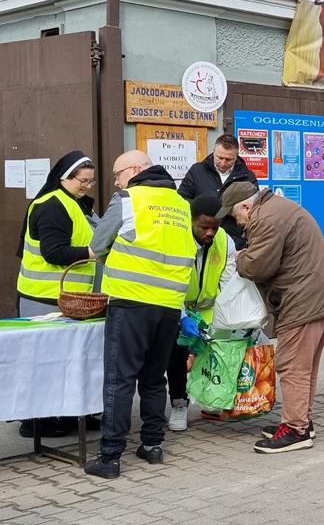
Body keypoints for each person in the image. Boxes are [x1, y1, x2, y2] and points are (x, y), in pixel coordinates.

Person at [84, 150, 197, 479]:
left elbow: (99, 243)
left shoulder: (128, 198)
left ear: (134, 170)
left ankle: (109, 456)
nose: (116, 181)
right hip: (168, 307)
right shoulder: (180, 205)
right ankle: (152, 445)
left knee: (119, 381)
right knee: (153, 378)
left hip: (130, 302)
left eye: (117, 173)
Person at [221, 182, 324, 452]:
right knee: (306, 365)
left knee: (292, 366)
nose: (238, 223)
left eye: (235, 216)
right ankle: (302, 420)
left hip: (303, 300)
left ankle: (295, 430)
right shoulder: (277, 208)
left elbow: (258, 266)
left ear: (246, 206)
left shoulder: (266, 219)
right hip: (318, 296)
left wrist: (240, 257)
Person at [15, 151, 100, 438]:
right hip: (43, 299)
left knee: (66, 361)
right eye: (82, 181)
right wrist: (93, 253)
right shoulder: (53, 206)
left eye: (90, 181)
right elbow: (54, 252)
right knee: (44, 362)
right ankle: (36, 421)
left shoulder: (72, 203)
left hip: (67, 298)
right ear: (64, 177)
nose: (87, 186)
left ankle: (69, 415)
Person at [165, 194, 237, 431]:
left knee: (216, 355)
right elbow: (173, 283)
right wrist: (183, 316)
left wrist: (224, 319)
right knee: (176, 358)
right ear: (191, 221)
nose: (209, 233)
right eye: (204, 227)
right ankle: (178, 404)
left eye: (214, 228)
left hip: (210, 309)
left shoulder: (225, 242)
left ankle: (213, 397)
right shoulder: (176, 239)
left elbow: (227, 283)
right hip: (179, 306)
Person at [178, 134, 258, 249]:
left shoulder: (248, 176)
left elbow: (253, 208)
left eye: (229, 159)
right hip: (201, 238)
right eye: (219, 157)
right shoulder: (197, 171)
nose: (223, 162)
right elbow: (182, 199)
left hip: (234, 239)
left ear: (236, 156)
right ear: (213, 151)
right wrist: (202, 210)